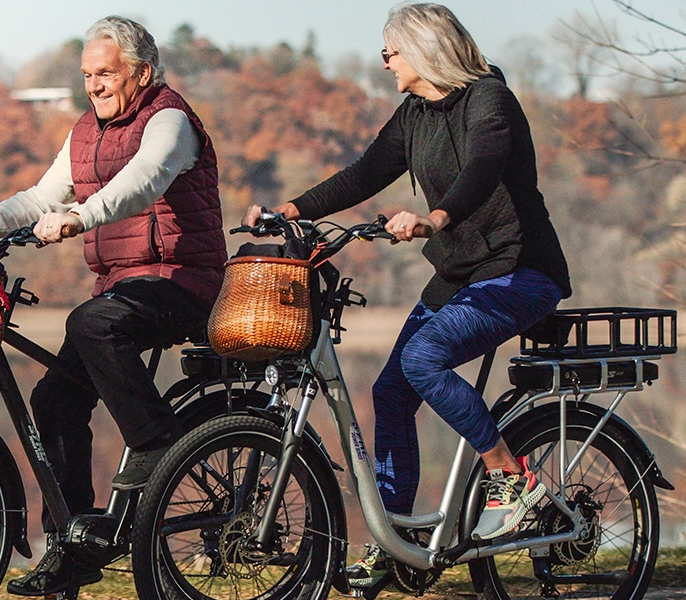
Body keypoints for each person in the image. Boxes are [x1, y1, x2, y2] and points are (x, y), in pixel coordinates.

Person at [241, 2, 572, 589]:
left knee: (423, 360)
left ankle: (510, 476)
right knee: (391, 391)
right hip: (460, 274)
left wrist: (435, 217)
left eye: (390, 52)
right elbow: (366, 172)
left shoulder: (489, 98)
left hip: (520, 271)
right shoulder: (415, 111)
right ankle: (396, 540)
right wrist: (288, 210)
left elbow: (485, 165)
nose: (385, 62)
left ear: (424, 49)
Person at [0, 15, 225, 596]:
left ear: (140, 72)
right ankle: (73, 546)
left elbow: (144, 179)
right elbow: (40, 196)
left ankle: (157, 444)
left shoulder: (170, 121)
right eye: (87, 74)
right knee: (55, 399)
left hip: (183, 280)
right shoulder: (86, 132)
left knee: (91, 322)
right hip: (119, 288)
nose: (93, 85)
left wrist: (81, 216)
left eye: (105, 73)